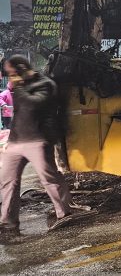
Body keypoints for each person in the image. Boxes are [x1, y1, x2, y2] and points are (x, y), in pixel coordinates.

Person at [0, 55, 72, 237]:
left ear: (22, 69)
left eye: (12, 73)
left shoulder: (45, 84)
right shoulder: (20, 87)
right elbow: (19, 114)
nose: (10, 78)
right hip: (16, 141)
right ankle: (8, 221)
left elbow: (32, 105)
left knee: (49, 179)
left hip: (38, 140)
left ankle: (64, 214)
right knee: (8, 181)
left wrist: (19, 86)